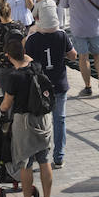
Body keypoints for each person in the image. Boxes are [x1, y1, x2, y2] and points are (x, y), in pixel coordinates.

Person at [0, 38, 54, 197]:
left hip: (25, 123)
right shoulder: (36, 66)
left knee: (26, 163)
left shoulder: (13, 77)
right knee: (45, 160)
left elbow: (7, 104)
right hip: (44, 119)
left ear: (8, 56)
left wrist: (0, 109)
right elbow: (27, 59)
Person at [25, 18, 75, 169]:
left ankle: (38, 153)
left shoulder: (33, 39)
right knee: (59, 120)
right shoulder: (61, 35)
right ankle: (59, 156)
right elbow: (73, 55)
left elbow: (26, 61)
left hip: (39, 86)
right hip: (59, 84)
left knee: (38, 120)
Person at [0, 1, 26, 88]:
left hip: (2, 63)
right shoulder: (19, 25)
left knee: (7, 92)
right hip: (18, 62)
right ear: (10, 11)